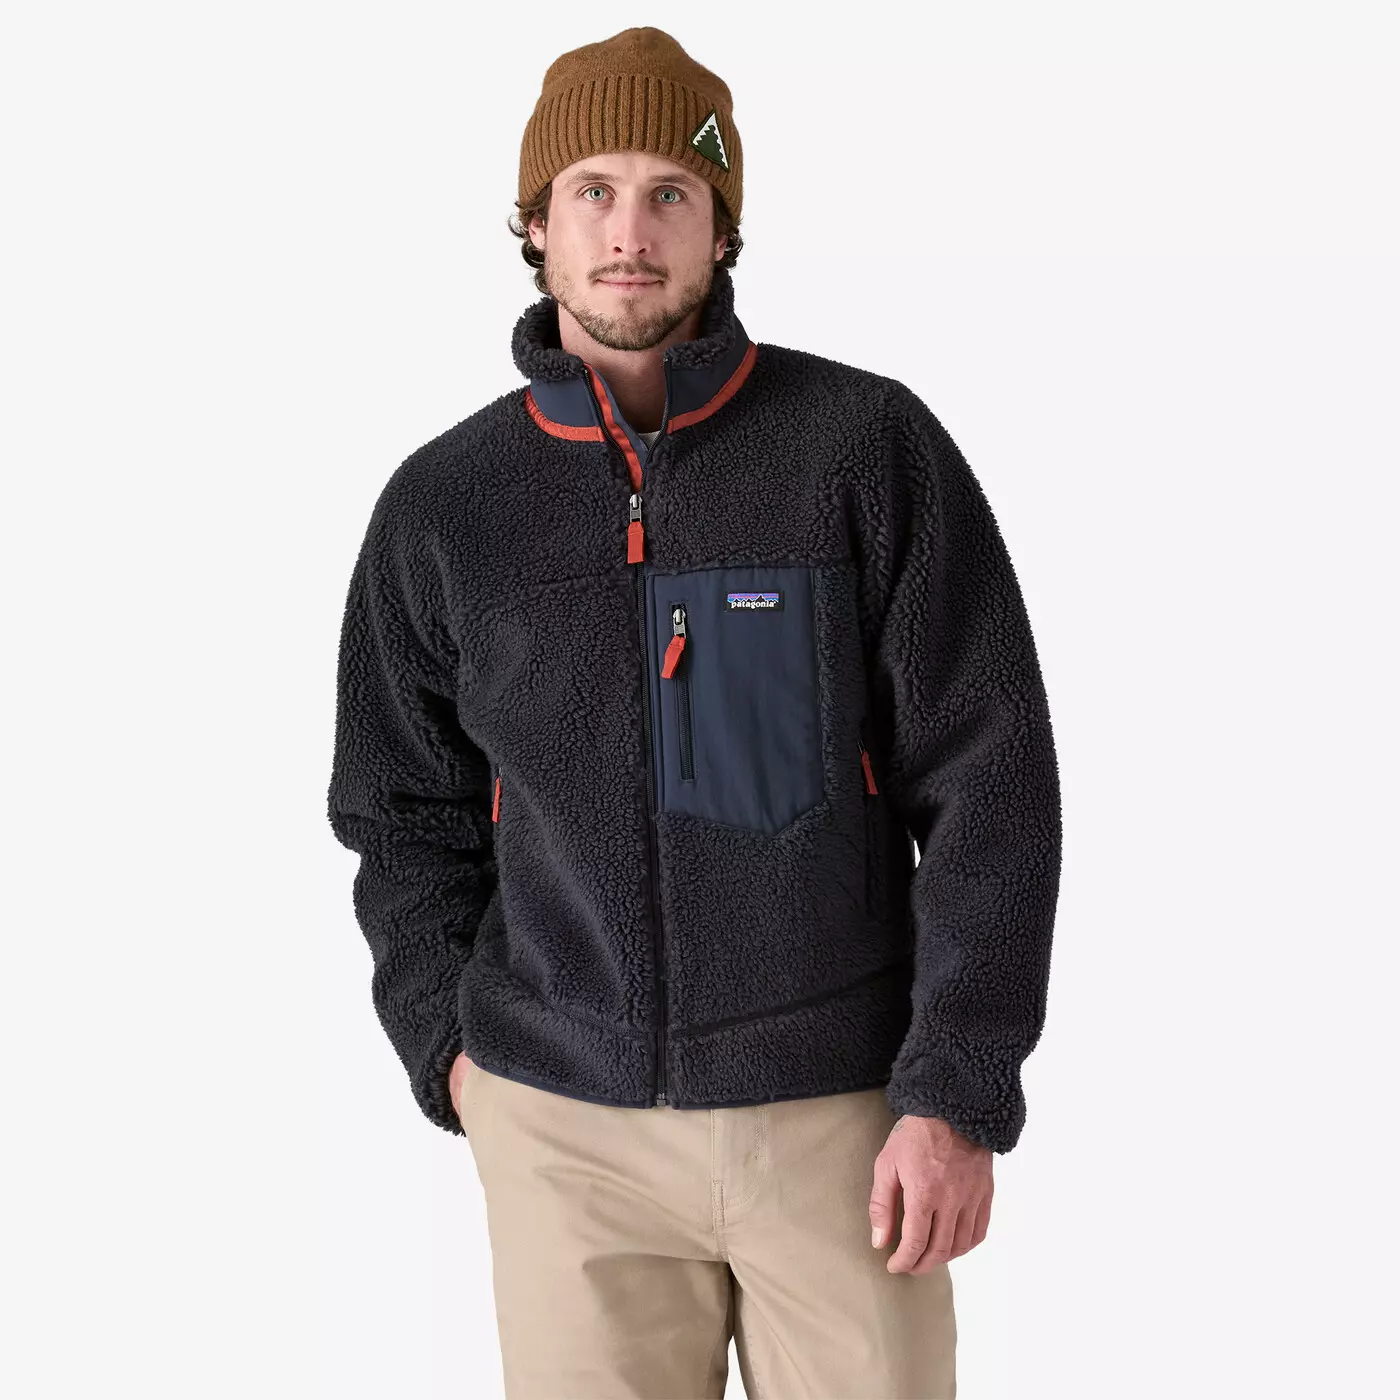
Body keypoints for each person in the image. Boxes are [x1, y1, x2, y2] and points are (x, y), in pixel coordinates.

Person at [327, 25, 1062, 1400]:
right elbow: (401, 811)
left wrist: (957, 1091)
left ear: (722, 228)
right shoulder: (444, 508)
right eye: (592, 192)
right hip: (564, 1135)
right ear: (535, 225)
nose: (630, 231)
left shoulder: (863, 448)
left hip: (842, 1121)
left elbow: (991, 783)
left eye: (672, 192)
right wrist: (455, 1055)